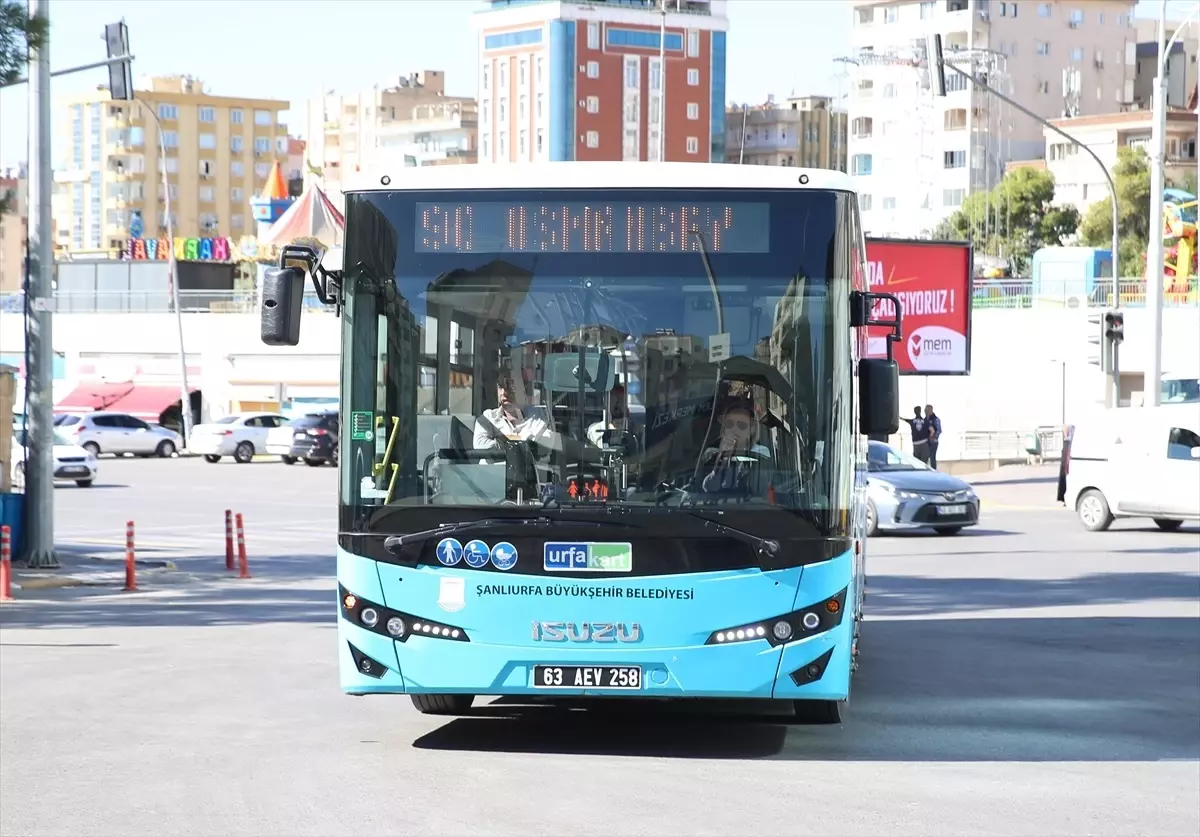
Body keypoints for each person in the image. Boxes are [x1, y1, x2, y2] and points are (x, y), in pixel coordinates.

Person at [699, 403, 771, 493]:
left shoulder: (761, 453)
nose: (734, 430)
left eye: (741, 426)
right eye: (729, 424)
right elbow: (705, 488)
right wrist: (718, 468)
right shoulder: (711, 454)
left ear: (752, 429)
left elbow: (765, 487)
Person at [924, 404, 942, 469]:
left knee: (932, 457)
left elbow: (939, 430)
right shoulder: (925, 419)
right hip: (925, 442)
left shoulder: (935, 419)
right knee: (925, 458)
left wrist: (933, 438)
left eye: (926, 410)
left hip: (933, 442)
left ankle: (933, 471)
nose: (925, 412)